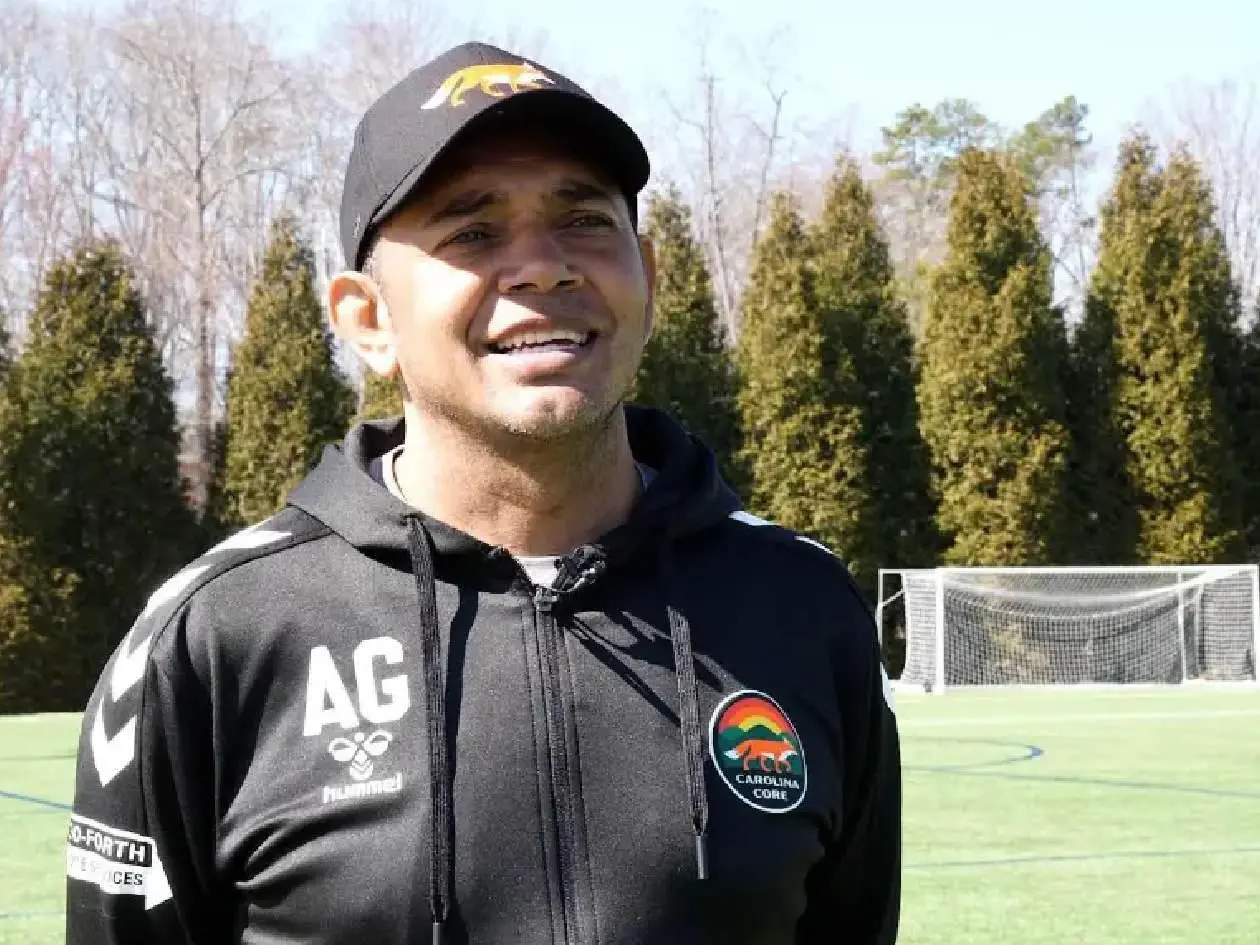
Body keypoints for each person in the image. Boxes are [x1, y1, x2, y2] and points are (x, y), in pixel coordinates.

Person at [65, 41, 902, 945]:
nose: (544, 266)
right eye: (472, 231)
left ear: (649, 279)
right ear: (368, 320)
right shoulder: (212, 637)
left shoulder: (802, 605)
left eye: (584, 219)